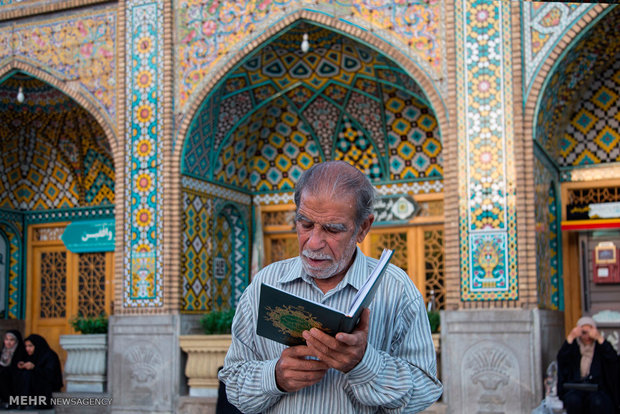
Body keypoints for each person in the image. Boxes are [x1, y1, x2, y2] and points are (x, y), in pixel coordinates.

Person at [219, 161, 442, 413]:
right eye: (305, 225)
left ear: (363, 228)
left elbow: (424, 392)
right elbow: (234, 386)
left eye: (332, 229)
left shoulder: (397, 290)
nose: (314, 243)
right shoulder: (265, 283)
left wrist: (363, 364)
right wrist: (275, 377)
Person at [557, 316, 619, 414]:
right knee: (573, 400)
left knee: (597, 402)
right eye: (584, 332)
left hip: (597, 387)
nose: (587, 336)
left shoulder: (600, 347)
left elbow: (613, 358)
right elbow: (562, 358)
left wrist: (599, 337)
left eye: (590, 332)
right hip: (576, 386)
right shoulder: (574, 347)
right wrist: (571, 337)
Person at [15, 334, 63, 410]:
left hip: (47, 387)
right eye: (26, 346)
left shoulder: (50, 355)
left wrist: (34, 368)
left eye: (30, 346)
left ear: (37, 345)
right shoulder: (32, 355)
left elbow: (51, 375)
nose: (27, 349)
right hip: (35, 385)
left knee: (29, 374)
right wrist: (23, 365)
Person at [0, 330, 26, 409]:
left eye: (11, 340)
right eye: (6, 339)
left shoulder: (21, 353)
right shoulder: (2, 353)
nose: (8, 342)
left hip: (15, 379)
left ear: (16, 341)